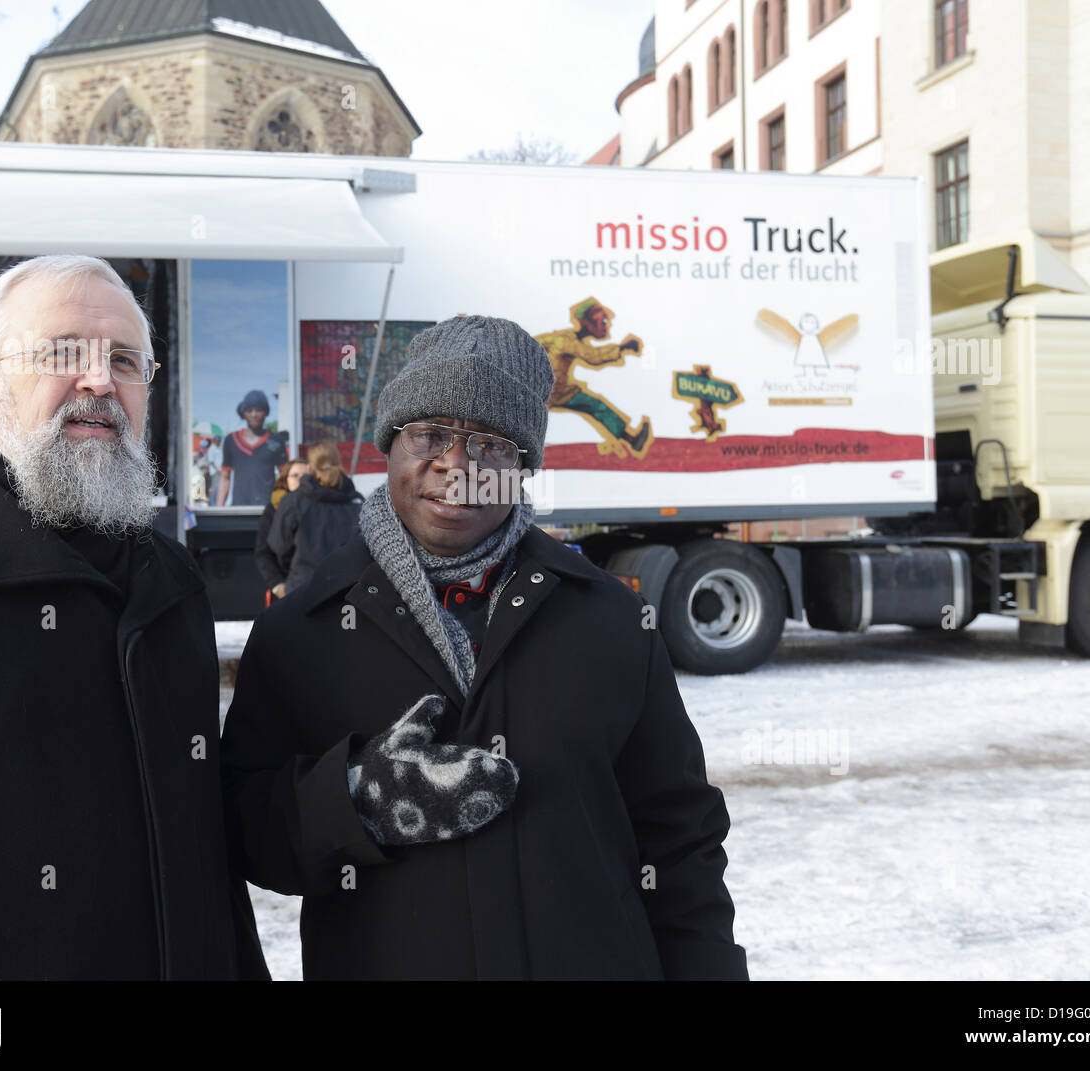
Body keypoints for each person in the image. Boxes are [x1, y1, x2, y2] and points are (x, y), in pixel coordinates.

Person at [221, 315, 748, 980]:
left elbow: (681, 839)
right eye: (432, 434)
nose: (458, 465)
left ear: (524, 465)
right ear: (392, 442)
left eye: (492, 444)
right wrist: (353, 796)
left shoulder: (612, 619)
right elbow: (245, 835)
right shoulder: (301, 631)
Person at [0, 254, 267, 980]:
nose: (101, 381)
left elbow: (208, 862)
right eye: (64, 353)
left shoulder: (172, 578)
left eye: (126, 361)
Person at [535, 296, 653, 459]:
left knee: (597, 406)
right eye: (599, 319)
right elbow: (593, 356)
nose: (605, 323)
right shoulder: (566, 341)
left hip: (561, 392)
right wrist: (622, 348)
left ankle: (632, 439)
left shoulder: (568, 338)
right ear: (587, 322)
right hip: (546, 394)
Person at [265, 442, 362, 598]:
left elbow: (279, 547)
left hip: (302, 590)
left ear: (309, 468)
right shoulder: (357, 501)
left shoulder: (293, 501)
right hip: (347, 593)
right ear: (339, 464)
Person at [215, 389, 289, 506]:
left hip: (267, 510)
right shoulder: (231, 440)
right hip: (239, 509)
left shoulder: (276, 441)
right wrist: (218, 510)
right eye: (249, 410)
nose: (254, 415)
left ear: (266, 413)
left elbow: (285, 477)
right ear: (244, 413)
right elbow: (225, 478)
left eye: (258, 410)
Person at [255, 456, 310, 603]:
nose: (300, 480)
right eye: (295, 476)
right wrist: (278, 586)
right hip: (284, 588)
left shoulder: (320, 507)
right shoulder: (273, 509)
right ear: (285, 479)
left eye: (305, 476)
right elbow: (263, 552)